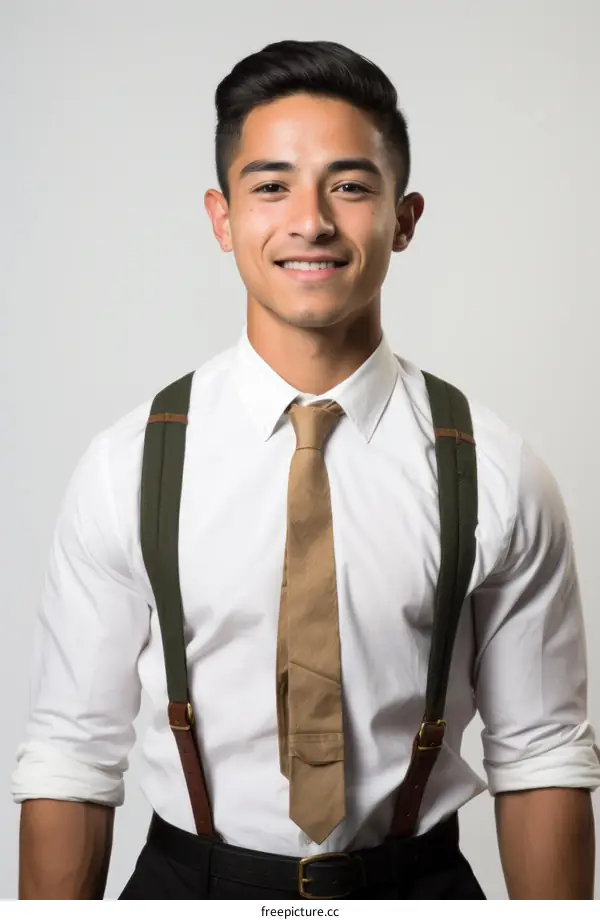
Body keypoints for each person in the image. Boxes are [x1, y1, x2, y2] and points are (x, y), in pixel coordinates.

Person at [12, 39, 599, 901]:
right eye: (272, 185)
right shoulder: (128, 464)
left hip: (416, 888)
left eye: (351, 186)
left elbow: (542, 751)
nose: (312, 220)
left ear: (404, 216)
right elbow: (71, 755)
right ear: (222, 218)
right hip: (189, 886)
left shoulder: (497, 468)